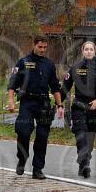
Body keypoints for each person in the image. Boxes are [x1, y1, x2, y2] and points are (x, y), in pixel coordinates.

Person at [7, 36, 64, 179]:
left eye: (45, 47)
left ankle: (37, 169)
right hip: (27, 102)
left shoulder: (50, 65)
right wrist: (11, 101)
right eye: (40, 47)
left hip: (43, 103)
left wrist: (60, 105)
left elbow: (55, 87)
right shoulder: (23, 62)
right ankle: (22, 157)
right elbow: (12, 83)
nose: (42, 50)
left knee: (42, 137)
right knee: (23, 131)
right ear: (34, 45)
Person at [60, 41, 96, 178]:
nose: (89, 51)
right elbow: (65, 88)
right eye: (86, 49)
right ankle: (85, 165)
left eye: (91, 49)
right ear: (82, 52)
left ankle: (84, 159)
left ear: (95, 52)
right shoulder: (74, 68)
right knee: (81, 136)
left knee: (89, 140)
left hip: (94, 107)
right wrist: (58, 104)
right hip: (78, 106)